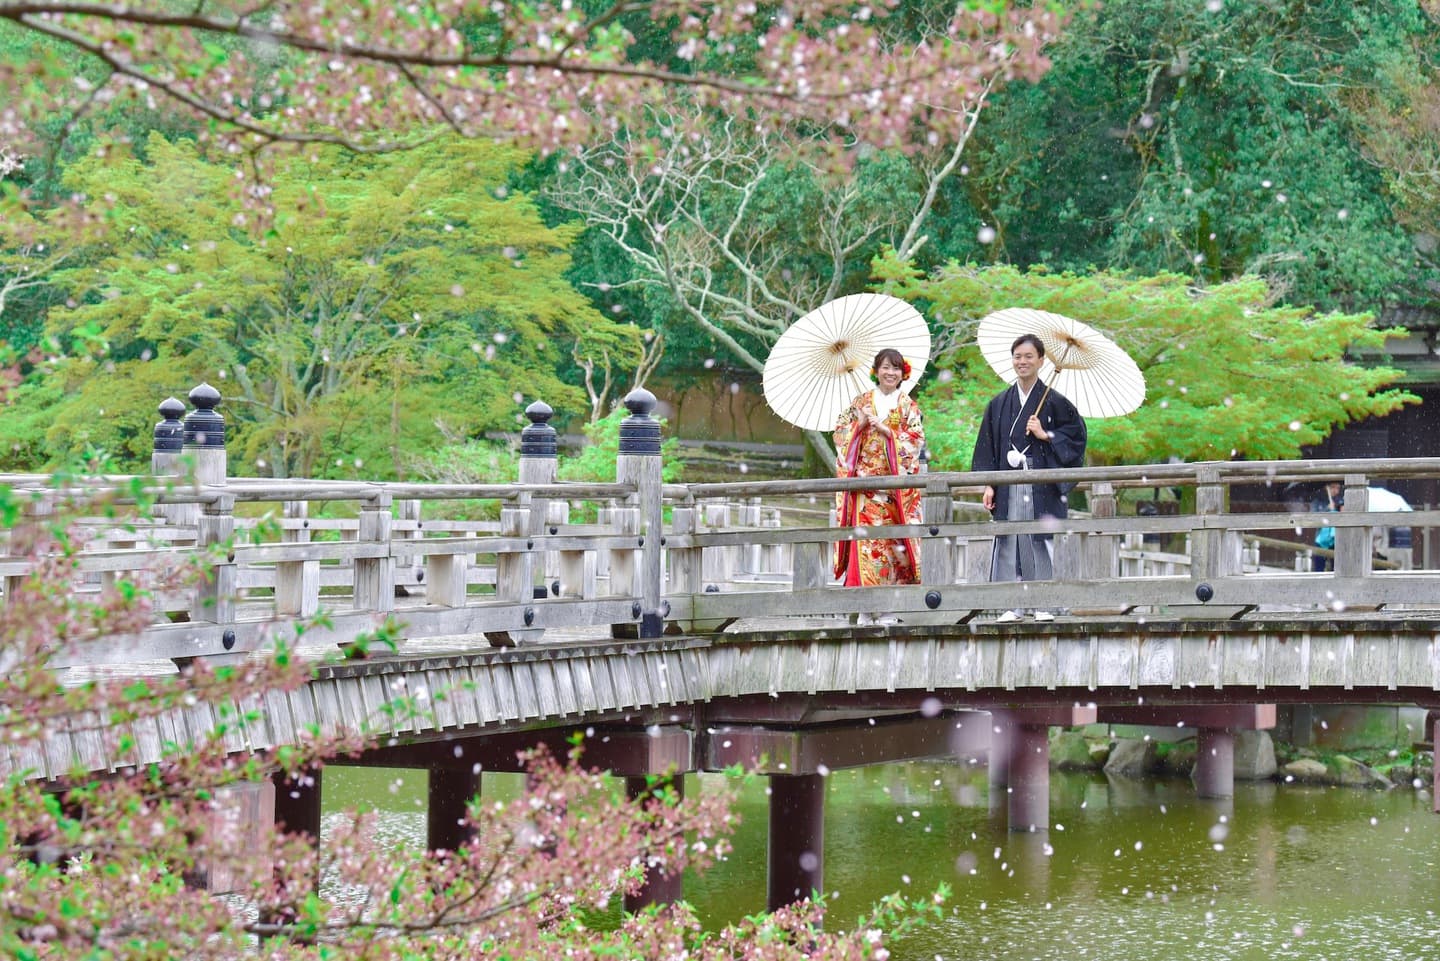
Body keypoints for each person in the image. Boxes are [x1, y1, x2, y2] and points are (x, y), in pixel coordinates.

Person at [971, 333, 1087, 622]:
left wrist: (1045, 434)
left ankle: (1043, 604)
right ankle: (1011, 605)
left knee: (1039, 539)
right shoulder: (998, 404)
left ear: (1041, 361)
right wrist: (989, 484)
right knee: (1011, 539)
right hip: (1007, 481)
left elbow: (1076, 438)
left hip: (1040, 481)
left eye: (1028, 357)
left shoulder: (1056, 402)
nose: (1022, 362)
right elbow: (987, 445)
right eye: (1017, 356)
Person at [833, 348, 925, 599]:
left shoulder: (907, 406)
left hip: (895, 492)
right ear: (876, 371)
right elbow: (840, 435)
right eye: (885, 367)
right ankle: (864, 605)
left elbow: (916, 440)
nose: (890, 373)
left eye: (895, 368)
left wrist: (888, 432)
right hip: (865, 489)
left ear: (903, 373)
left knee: (895, 549)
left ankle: (889, 606)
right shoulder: (860, 402)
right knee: (865, 547)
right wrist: (859, 426)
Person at [1312, 481, 1341, 572]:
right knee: (1319, 568)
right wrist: (1327, 509)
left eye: (1338, 488)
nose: (1335, 490)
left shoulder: (1341, 501)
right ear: (1326, 487)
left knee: (1337, 569)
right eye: (1333, 487)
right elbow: (1313, 518)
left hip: (1336, 538)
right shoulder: (1317, 501)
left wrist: (1337, 510)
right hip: (1321, 538)